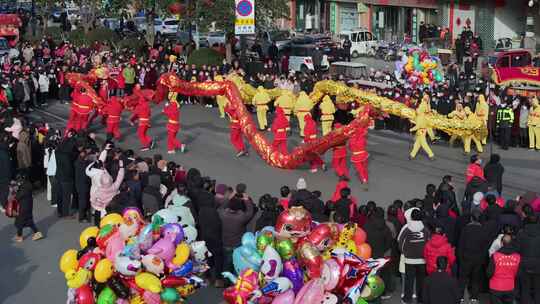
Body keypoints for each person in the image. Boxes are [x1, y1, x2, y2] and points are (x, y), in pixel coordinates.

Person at [218, 193, 255, 287]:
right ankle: (235, 284)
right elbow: (250, 212)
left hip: (225, 243)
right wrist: (247, 200)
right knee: (237, 265)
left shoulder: (223, 214)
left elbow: (221, 207)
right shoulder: (241, 217)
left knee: (226, 263)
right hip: (238, 245)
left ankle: (225, 281)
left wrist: (230, 197)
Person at [457, 210, 491, 303]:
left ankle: (461, 296)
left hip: (466, 258)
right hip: (478, 259)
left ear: (471, 218)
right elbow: (485, 247)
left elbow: (461, 245)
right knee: (475, 278)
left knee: (462, 278)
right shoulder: (483, 230)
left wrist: (460, 257)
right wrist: (482, 258)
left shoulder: (465, 229)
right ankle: (474, 296)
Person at [399, 208, 430, 304]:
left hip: (409, 259)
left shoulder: (407, 228)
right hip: (422, 259)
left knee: (409, 280)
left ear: (411, 217)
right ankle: (421, 299)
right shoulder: (425, 229)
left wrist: (404, 252)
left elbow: (400, 242)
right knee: (421, 280)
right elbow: (429, 242)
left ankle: (407, 299)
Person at [487, 234, 520, 304]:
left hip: (495, 286)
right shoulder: (517, 257)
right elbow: (518, 273)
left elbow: (489, 273)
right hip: (510, 286)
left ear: (501, 243)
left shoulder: (495, 256)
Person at [515, 214, 540, 304]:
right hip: (538, 264)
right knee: (538, 289)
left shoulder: (521, 233)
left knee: (525, 288)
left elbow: (517, 249)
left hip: (524, 263)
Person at [13, 173, 43, 242]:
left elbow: (17, 197)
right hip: (28, 206)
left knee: (19, 221)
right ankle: (37, 233)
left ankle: (19, 236)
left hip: (23, 208)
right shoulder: (28, 185)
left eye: (18, 180)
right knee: (29, 221)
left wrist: (15, 190)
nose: (18, 182)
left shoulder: (23, 188)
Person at [409, 95, 435, 160]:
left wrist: (411, 129)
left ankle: (431, 155)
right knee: (417, 144)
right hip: (421, 130)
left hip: (421, 130)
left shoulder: (421, 115)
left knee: (423, 144)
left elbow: (418, 125)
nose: (417, 109)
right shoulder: (422, 114)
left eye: (419, 108)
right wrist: (412, 120)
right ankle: (412, 155)